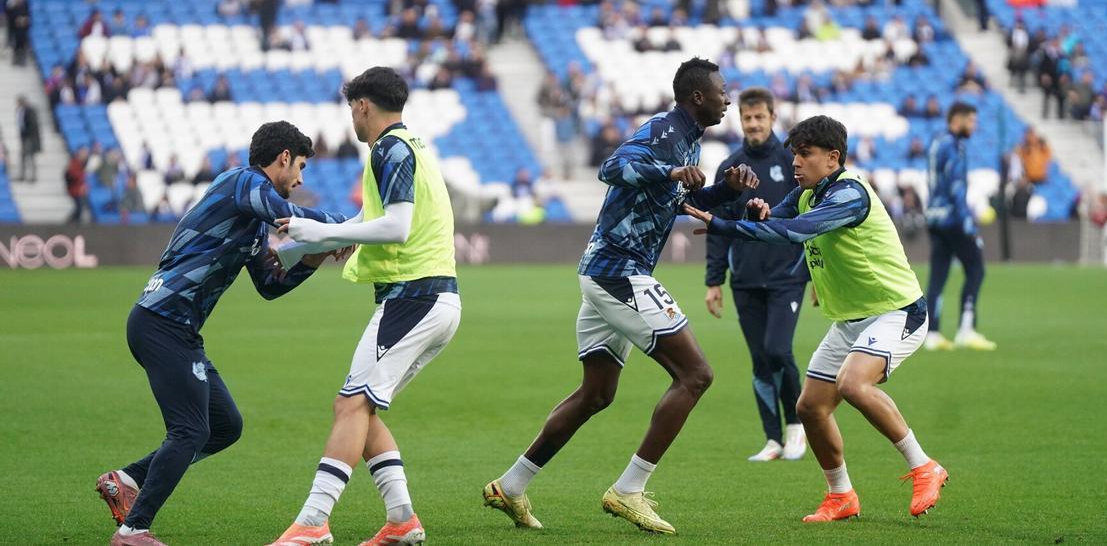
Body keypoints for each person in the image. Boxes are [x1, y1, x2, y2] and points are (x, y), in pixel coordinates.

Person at [482, 57, 758, 536]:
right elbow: (613, 167)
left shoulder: (687, 139)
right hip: (618, 273)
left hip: (606, 272)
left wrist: (724, 192)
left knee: (596, 393)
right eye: (722, 90)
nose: (728, 98)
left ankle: (511, 485)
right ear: (698, 97)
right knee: (696, 375)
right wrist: (670, 172)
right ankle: (629, 490)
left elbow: (677, 200)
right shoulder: (664, 132)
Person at [682, 115, 948, 523]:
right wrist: (758, 212)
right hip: (850, 320)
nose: (796, 163)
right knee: (809, 408)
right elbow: (778, 218)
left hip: (896, 312)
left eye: (805, 154)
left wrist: (724, 226)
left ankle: (923, 465)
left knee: (853, 384)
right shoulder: (807, 193)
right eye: (794, 155)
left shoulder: (850, 195)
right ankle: (841, 495)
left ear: (833, 157)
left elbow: (796, 232)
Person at [95, 121, 347, 546]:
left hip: (174, 326)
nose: (301, 179)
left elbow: (270, 285)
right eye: (300, 166)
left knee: (225, 425)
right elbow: (288, 216)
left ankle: (125, 480)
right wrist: (342, 226)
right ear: (283, 157)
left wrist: (315, 257)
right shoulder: (240, 182)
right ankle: (133, 530)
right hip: (163, 322)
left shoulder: (248, 222)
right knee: (190, 431)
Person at [267, 67, 462, 546]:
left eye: (350, 109)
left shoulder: (389, 150)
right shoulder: (411, 145)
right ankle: (401, 521)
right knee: (362, 408)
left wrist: (326, 233)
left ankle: (313, 522)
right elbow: (374, 221)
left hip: (413, 297)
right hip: (433, 299)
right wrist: (328, 236)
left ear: (361, 106)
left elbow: (395, 228)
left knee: (350, 405)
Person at [704, 88, 809, 462]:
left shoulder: (793, 163)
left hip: (788, 276)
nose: (753, 124)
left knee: (779, 349)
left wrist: (815, 276)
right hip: (745, 279)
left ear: (772, 117)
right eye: (747, 118)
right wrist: (714, 280)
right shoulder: (730, 169)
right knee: (760, 360)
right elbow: (717, 227)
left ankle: (797, 426)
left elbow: (809, 221)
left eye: (759, 117)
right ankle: (772, 439)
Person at [922, 103, 996, 352]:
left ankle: (932, 333)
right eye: (971, 121)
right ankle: (966, 329)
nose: (974, 127)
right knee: (976, 269)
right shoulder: (954, 146)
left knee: (938, 276)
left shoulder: (936, 141)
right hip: (953, 219)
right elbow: (955, 187)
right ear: (958, 119)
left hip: (934, 217)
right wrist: (968, 223)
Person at [16, 95, 40, 182]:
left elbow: (33, 125)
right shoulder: (19, 111)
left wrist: (27, 134)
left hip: (30, 137)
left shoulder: (30, 111)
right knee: (23, 156)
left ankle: (33, 176)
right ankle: (23, 175)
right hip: (24, 137)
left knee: (31, 156)